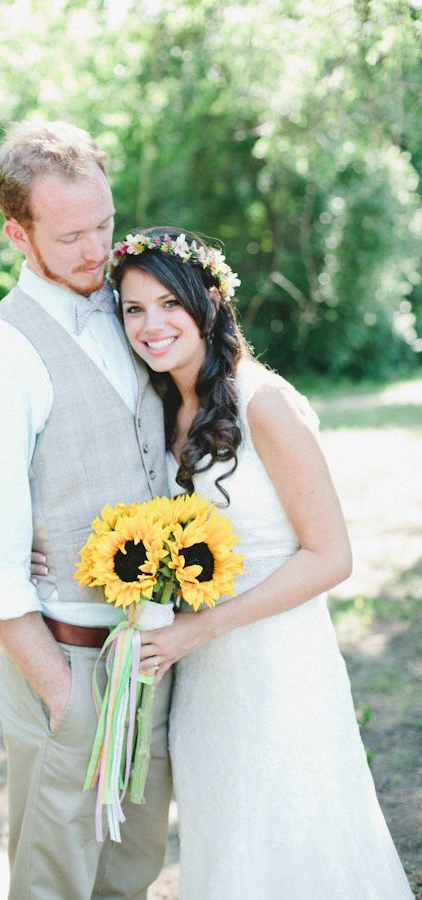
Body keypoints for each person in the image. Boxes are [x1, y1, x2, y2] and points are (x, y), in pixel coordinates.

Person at [108, 226, 414, 899]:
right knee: (228, 838)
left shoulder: (263, 402)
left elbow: (332, 555)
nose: (151, 325)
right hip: (203, 676)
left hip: (277, 662)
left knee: (292, 829)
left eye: (169, 304)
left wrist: (199, 628)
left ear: (209, 301)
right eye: (134, 308)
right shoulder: (160, 405)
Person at [0, 124, 172, 900]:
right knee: (55, 885)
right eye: (69, 235)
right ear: (16, 231)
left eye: (104, 224)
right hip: (65, 664)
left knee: (130, 874)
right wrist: (67, 703)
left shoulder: (133, 305)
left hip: (148, 657)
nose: (95, 249)